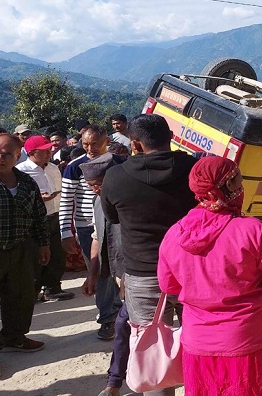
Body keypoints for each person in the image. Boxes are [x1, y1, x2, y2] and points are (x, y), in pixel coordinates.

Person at [158, 156, 262, 396]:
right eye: (239, 177)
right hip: (249, 341)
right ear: (228, 185)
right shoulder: (253, 230)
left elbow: (169, 286)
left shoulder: (173, 234)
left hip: (199, 344)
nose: (243, 183)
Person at [101, 114, 197, 396]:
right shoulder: (193, 168)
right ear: (170, 138)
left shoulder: (116, 177)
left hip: (143, 275)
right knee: (201, 339)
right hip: (192, 271)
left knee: (153, 347)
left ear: (134, 144)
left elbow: (112, 217)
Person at [0, 134, 50, 383]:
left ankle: (14, 337)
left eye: (6, 154)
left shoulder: (26, 182)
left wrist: (43, 243)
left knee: (20, 295)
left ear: (17, 155)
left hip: (20, 249)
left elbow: (39, 215)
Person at [60, 125, 122, 339]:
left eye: (95, 143)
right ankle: (107, 318)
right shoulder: (75, 167)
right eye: (85, 144)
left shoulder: (119, 163)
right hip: (88, 228)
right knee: (101, 271)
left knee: (119, 268)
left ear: (106, 141)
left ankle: (120, 312)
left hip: (117, 224)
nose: (90, 148)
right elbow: (66, 201)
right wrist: (65, 232)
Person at [79, 154, 130, 396]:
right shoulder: (96, 201)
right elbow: (97, 238)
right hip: (116, 275)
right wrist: (92, 275)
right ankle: (117, 380)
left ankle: (120, 380)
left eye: (100, 183)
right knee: (124, 326)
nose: (97, 189)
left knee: (127, 327)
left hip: (136, 274)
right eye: (92, 186)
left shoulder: (132, 198)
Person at [16, 135, 74, 301]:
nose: (49, 153)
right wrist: (37, 199)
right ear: (32, 152)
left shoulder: (53, 168)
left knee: (57, 254)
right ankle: (31, 292)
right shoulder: (21, 171)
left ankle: (52, 287)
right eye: (44, 151)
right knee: (35, 257)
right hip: (34, 221)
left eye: (49, 150)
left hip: (55, 215)